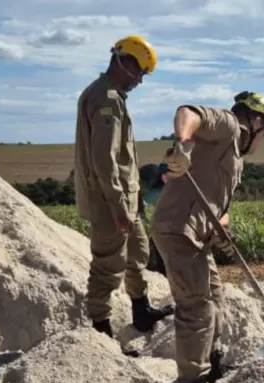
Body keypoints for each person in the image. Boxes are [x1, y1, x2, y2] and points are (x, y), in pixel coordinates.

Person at [149, 91, 264, 383]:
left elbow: (218, 204)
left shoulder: (232, 155)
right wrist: (184, 145)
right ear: (256, 122)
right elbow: (189, 112)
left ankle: (213, 365)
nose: (261, 141)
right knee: (197, 311)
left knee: (216, 303)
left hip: (198, 238)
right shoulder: (229, 126)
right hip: (177, 232)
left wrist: (223, 228)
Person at [73, 35, 174, 342]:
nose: (140, 81)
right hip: (110, 202)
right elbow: (105, 161)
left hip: (125, 200)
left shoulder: (111, 96)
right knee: (107, 267)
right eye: (141, 72)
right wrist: (119, 208)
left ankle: (141, 312)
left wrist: (134, 199)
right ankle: (101, 336)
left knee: (137, 254)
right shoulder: (106, 99)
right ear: (126, 63)